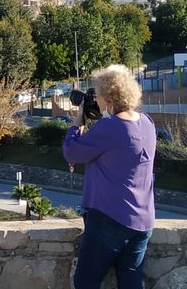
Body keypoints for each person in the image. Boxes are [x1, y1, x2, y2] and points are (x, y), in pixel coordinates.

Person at [63, 64, 156, 289]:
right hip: (142, 221)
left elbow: (71, 151)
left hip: (109, 219)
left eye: (99, 96)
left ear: (109, 97)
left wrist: (79, 120)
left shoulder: (111, 127)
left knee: (87, 281)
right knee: (131, 280)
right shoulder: (147, 123)